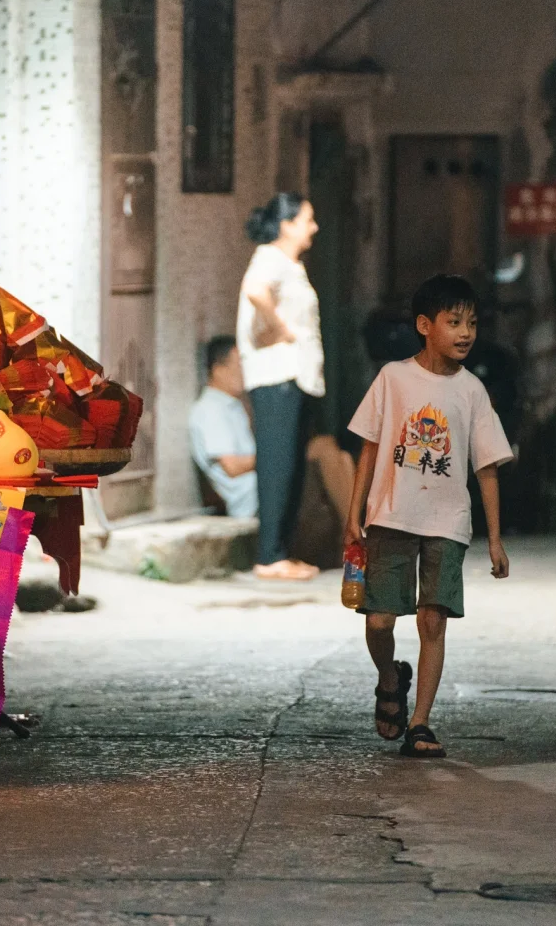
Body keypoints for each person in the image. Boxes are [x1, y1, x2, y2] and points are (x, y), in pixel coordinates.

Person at [343, 275, 513, 759]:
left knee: (432, 622)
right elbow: (370, 447)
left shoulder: (472, 391)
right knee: (379, 621)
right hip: (391, 515)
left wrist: (494, 538)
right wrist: (354, 513)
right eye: (454, 322)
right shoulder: (393, 378)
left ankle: (420, 723)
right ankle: (389, 676)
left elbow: (486, 467)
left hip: (447, 522)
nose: (466, 333)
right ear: (424, 325)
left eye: (472, 323)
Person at [239, 193, 324, 581]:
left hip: (296, 374)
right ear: (287, 225)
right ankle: (269, 556)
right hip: (276, 374)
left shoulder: (290, 264)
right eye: (307, 220)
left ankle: (281, 553)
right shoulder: (269, 257)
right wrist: (281, 328)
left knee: (291, 464)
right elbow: (255, 291)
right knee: (278, 464)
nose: (313, 227)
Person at [189, 336, 258, 519]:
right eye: (239, 366)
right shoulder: (210, 409)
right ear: (218, 370)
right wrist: (274, 459)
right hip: (248, 502)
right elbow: (232, 467)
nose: (245, 372)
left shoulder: (232, 405)